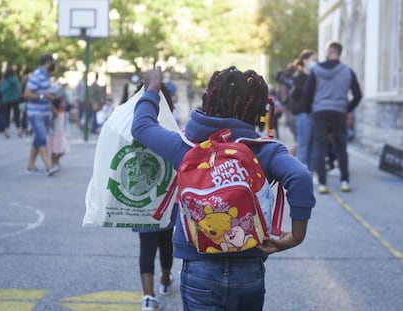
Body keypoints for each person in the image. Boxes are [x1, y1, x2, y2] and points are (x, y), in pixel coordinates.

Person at [132, 66, 315, 311]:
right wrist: (296, 236)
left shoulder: (186, 147)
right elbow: (300, 176)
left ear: (209, 101)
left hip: (200, 267)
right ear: (258, 110)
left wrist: (152, 88)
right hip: (249, 267)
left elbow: (142, 127)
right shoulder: (264, 150)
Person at [302, 41, 362, 193]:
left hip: (320, 112)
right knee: (342, 147)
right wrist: (347, 108)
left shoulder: (316, 71)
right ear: (339, 53)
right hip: (339, 113)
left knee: (320, 147)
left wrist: (310, 110)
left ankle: (322, 183)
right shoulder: (348, 71)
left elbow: (306, 93)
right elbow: (358, 95)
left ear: (329, 52)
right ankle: (344, 181)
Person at [23, 53, 59, 176]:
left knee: (37, 139)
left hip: (45, 112)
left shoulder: (47, 76)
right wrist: (43, 96)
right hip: (35, 112)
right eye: (53, 62)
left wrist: (52, 109)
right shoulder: (36, 75)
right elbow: (27, 93)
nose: (54, 65)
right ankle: (48, 166)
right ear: (48, 62)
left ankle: (30, 166)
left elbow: (45, 94)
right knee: (42, 137)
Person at [290, 49, 318, 171]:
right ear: (305, 61)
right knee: (303, 145)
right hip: (304, 114)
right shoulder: (299, 77)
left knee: (313, 146)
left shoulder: (315, 76)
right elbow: (295, 96)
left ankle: (310, 173)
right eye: (313, 60)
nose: (315, 62)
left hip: (314, 113)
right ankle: (299, 172)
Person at [47, 83, 69, 171]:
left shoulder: (61, 100)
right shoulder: (53, 103)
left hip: (60, 126)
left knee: (62, 148)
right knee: (55, 147)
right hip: (55, 127)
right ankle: (53, 163)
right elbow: (54, 114)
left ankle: (55, 161)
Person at [0, 65, 21, 139]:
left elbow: (1, 90)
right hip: (14, 99)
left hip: (5, 100)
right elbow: (18, 89)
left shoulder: (3, 80)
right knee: (16, 115)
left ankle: (6, 131)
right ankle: (19, 130)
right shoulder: (15, 79)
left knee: (6, 116)